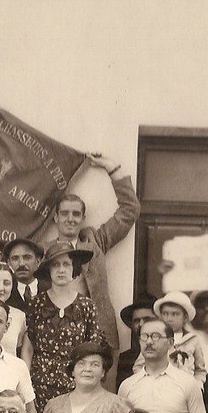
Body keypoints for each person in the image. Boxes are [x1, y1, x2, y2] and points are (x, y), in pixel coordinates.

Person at [46, 153, 141, 366]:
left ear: (83, 218)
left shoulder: (95, 242)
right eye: (65, 214)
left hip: (98, 331)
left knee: (100, 394)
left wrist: (113, 168)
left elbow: (130, 210)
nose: (70, 219)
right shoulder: (44, 252)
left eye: (76, 214)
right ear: (56, 218)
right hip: (58, 333)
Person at [24, 239, 101, 412]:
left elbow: (92, 350)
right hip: (39, 384)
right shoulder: (36, 304)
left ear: (73, 268)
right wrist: (25, 382)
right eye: (55, 265)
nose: (61, 270)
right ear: (49, 270)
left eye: (66, 264)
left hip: (74, 385)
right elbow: (28, 346)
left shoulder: (86, 306)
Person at [117, 318, 208, 413]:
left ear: (171, 343)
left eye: (155, 336)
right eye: (144, 336)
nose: (149, 342)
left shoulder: (187, 383)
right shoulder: (127, 385)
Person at [154, 291, 208, 384]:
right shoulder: (155, 338)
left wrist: (197, 385)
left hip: (186, 388)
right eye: (165, 314)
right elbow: (140, 366)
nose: (169, 319)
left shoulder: (192, 339)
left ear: (185, 317)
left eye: (175, 314)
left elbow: (200, 369)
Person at [115, 295, 158, 384]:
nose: (141, 324)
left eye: (147, 319)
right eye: (137, 321)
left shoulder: (169, 352)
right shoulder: (126, 358)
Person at [3, 238, 43, 315]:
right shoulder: (5, 293)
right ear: (8, 263)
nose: (21, 264)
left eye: (27, 257)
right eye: (15, 258)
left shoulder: (50, 289)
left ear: (38, 262)